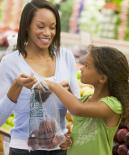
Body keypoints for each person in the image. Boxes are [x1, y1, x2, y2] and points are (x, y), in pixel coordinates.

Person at [0, 0, 79, 155]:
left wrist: (66, 92)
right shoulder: (10, 62)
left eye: (52, 27)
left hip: (59, 149)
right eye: (40, 26)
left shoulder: (66, 56)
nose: (48, 33)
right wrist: (16, 86)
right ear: (27, 26)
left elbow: (77, 110)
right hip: (24, 149)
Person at [46, 45, 129, 155]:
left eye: (87, 66)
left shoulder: (112, 106)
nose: (81, 68)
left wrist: (53, 85)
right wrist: (70, 140)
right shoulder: (85, 100)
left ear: (102, 78)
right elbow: (82, 133)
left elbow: (77, 108)